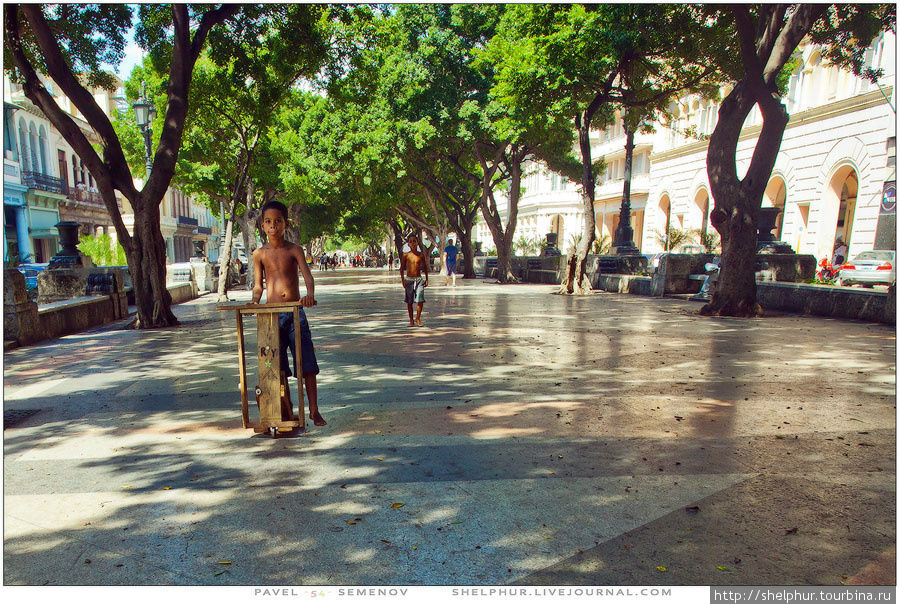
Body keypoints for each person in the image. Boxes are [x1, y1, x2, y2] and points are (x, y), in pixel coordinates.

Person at [251, 200, 325, 426]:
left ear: (285, 224)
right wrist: (254, 302)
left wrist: (309, 295)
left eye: (278, 221)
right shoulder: (259, 254)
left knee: (307, 364)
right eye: (268, 221)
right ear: (262, 226)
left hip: (295, 313)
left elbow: (307, 277)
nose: (273, 225)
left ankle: (313, 410)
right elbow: (258, 285)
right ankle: (286, 407)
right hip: (272, 317)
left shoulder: (294, 250)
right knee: (276, 366)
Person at [400, 232, 428, 327]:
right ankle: (411, 320)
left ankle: (418, 318)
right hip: (409, 280)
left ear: (417, 243)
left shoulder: (421, 255)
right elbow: (401, 268)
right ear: (408, 244)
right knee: (409, 301)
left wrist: (427, 279)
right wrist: (403, 280)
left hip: (419, 280)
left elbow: (425, 267)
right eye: (411, 242)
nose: (413, 243)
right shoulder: (406, 255)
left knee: (420, 300)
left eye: (414, 241)